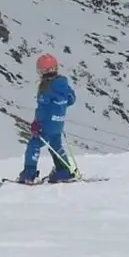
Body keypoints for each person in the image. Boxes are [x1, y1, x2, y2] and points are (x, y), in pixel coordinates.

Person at [17, 53, 77, 184]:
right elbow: (71, 100)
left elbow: (42, 109)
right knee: (56, 145)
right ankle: (64, 171)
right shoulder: (64, 85)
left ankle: (29, 174)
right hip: (59, 123)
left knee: (34, 144)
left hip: (47, 124)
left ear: (41, 71)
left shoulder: (45, 88)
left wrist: (36, 124)